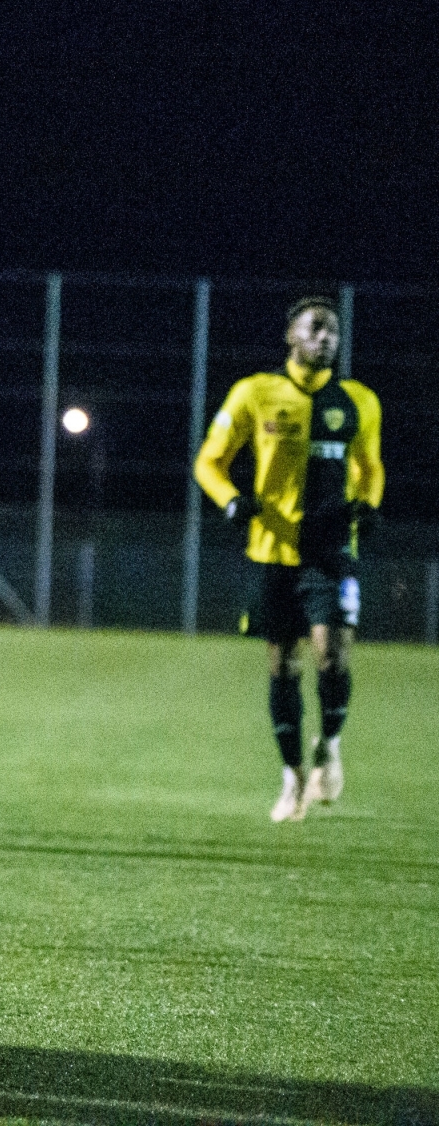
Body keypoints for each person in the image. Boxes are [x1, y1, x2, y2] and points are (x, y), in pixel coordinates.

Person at [194, 298, 383, 823]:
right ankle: (292, 775)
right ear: (291, 335)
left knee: (334, 656)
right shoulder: (256, 392)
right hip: (272, 553)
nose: (326, 338)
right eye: (315, 328)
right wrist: (231, 501)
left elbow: (371, 467)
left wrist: (368, 506)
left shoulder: (359, 401)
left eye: (333, 331)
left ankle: (330, 746)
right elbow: (208, 462)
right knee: (282, 668)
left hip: (331, 554)